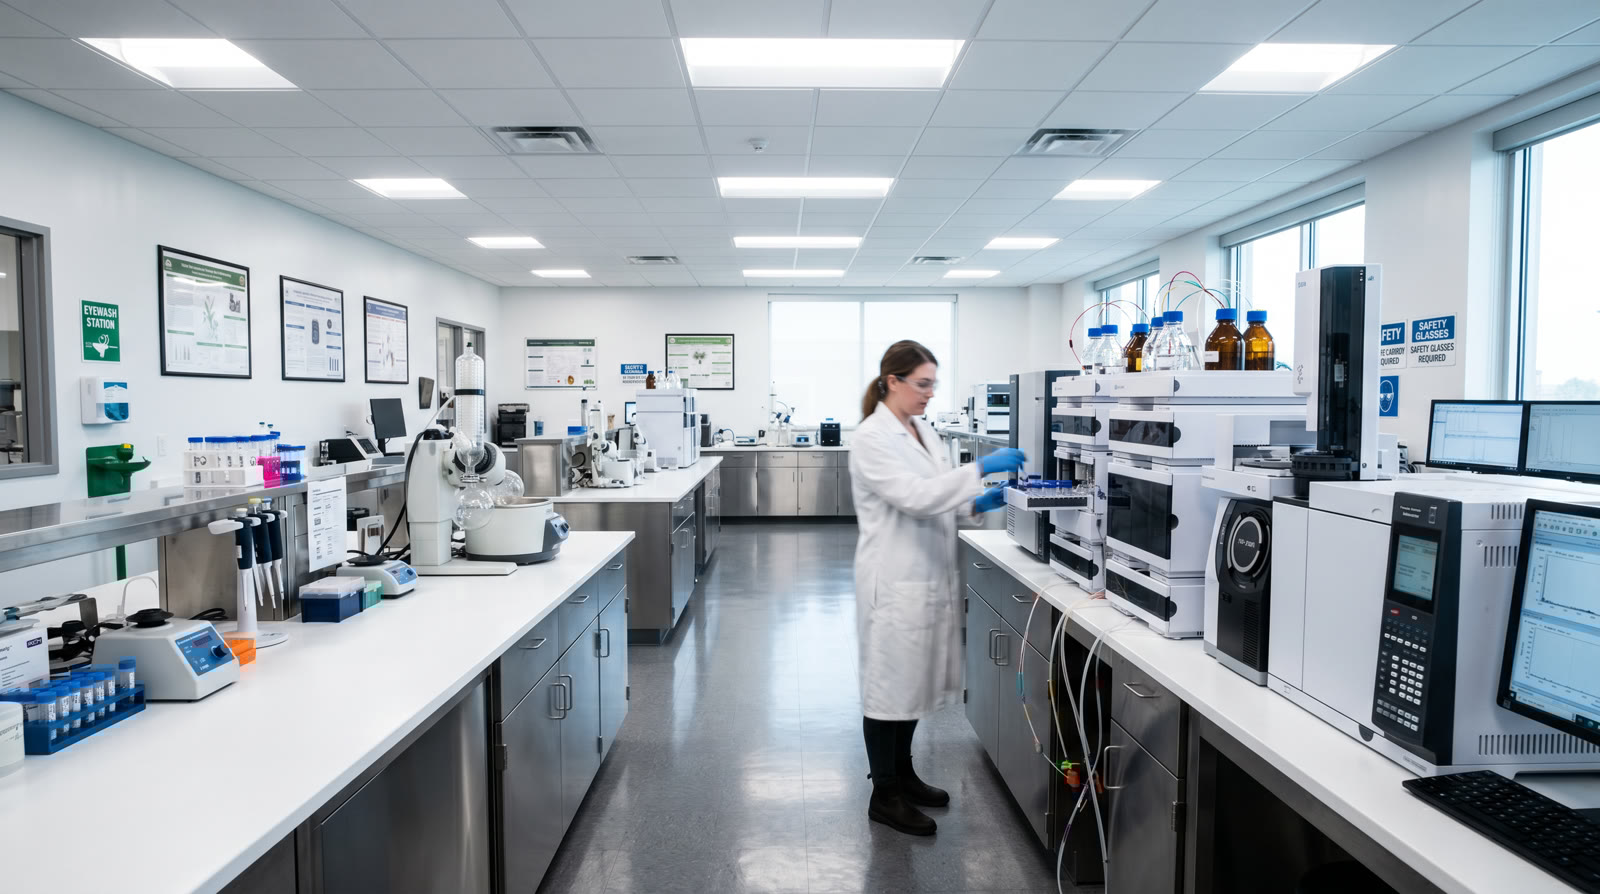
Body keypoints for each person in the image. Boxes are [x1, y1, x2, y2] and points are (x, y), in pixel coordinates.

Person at [848, 340, 1025, 836]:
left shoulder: (923, 430)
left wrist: (980, 502)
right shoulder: (871, 438)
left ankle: (903, 776)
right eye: (922, 384)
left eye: (933, 384)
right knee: (888, 691)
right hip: (894, 581)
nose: (930, 394)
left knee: (913, 684)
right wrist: (980, 470)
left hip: (926, 575)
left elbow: (943, 492)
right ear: (893, 382)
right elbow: (917, 497)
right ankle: (884, 795)